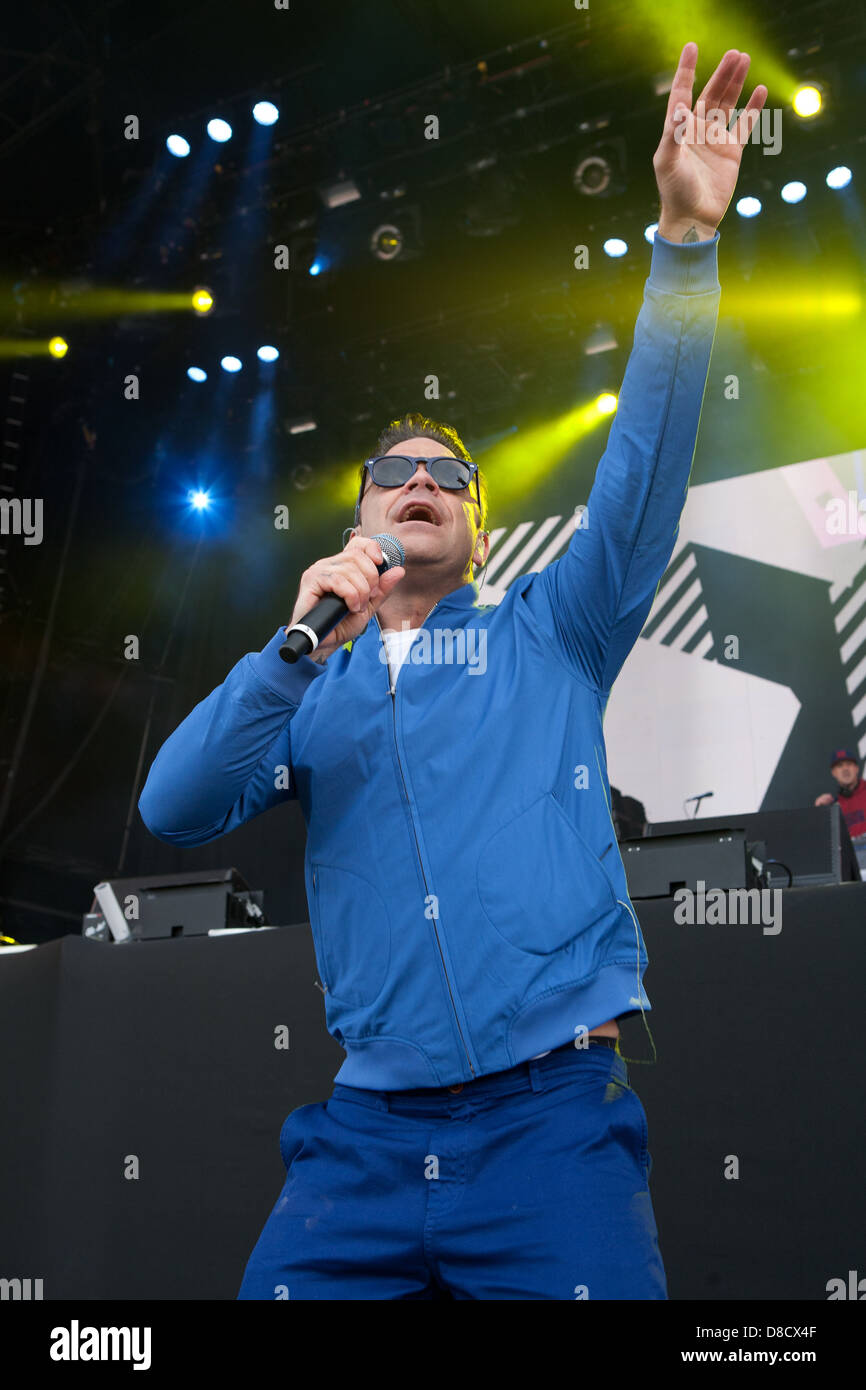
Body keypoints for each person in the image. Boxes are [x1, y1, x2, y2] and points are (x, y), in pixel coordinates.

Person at [139, 43, 766, 1300]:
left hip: (550, 1123)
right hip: (362, 1139)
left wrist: (683, 247)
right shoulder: (306, 679)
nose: (420, 480)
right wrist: (291, 646)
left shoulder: (554, 626)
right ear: (361, 513)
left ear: (476, 523)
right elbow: (172, 806)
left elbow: (639, 471)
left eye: (447, 475)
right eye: (394, 471)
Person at [815, 747, 866, 877]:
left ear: (856, 768)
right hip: (850, 861)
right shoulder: (833, 805)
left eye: (849, 764)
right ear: (833, 772)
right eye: (839, 766)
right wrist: (820, 812)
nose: (845, 769)